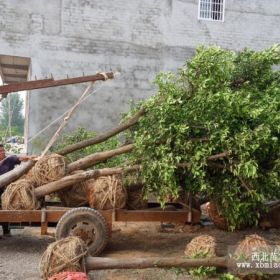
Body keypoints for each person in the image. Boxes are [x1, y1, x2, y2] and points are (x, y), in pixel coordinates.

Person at [0, 144, 36, 236]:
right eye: (1, 151)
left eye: (3, 151)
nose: (3, 152)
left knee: (6, 208)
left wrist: (30, 157)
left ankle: (6, 230)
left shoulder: (9, 160)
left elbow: (20, 158)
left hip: (8, 190)